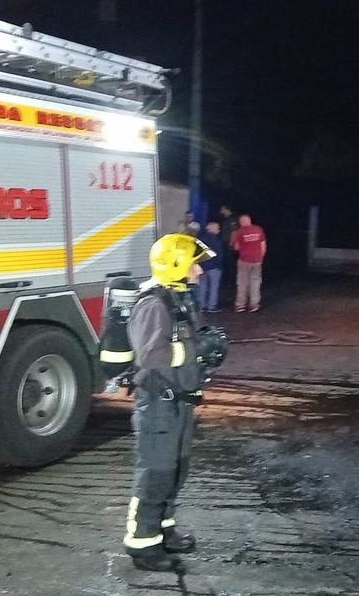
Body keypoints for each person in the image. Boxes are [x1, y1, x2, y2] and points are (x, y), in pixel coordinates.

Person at [123, 233, 215, 572]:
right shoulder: (153, 303)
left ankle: (164, 529)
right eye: (194, 264)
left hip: (178, 403)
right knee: (156, 475)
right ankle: (143, 546)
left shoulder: (178, 299)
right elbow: (151, 354)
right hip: (158, 406)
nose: (200, 272)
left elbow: (184, 345)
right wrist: (196, 350)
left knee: (176, 470)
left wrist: (206, 349)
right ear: (176, 264)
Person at [231, 213, 266, 313]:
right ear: (249, 220)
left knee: (242, 283)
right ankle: (254, 305)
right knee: (255, 282)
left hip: (244, 260)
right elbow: (263, 245)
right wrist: (260, 257)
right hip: (257, 260)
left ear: (241, 222)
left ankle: (240, 305)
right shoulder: (259, 229)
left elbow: (236, 247)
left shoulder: (239, 232)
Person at [196, 221, 224, 313]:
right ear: (211, 228)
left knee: (202, 287)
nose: (219, 230)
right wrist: (219, 264)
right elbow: (219, 253)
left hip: (202, 266)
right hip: (214, 267)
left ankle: (201, 305)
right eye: (217, 228)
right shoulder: (215, 239)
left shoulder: (200, 239)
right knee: (213, 287)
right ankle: (212, 306)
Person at [217, 205, 238, 273]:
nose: (221, 211)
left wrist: (231, 243)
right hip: (223, 243)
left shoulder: (232, 219)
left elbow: (234, 231)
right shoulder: (223, 219)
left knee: (230, 262)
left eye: (222, 209)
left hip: (229, 244)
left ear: (227, 210)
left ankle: (231, 280)